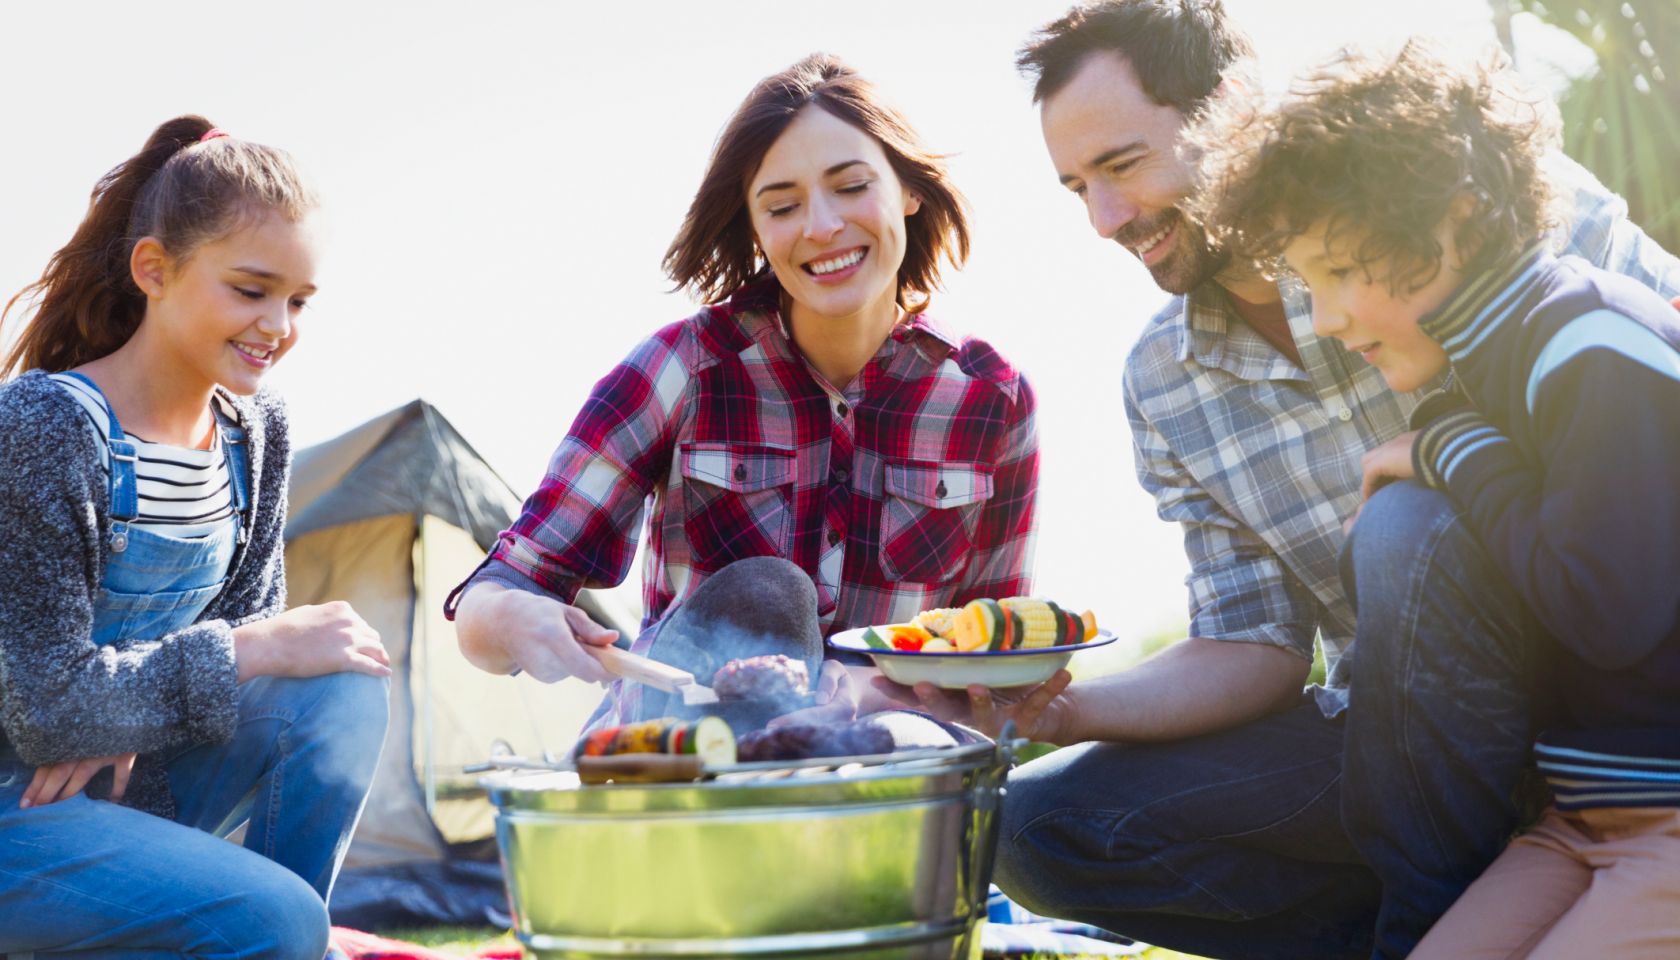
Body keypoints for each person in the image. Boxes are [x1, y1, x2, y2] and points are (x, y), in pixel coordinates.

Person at [901, 4, 1680, 959]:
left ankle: (1428, 923)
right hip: (1396, 743)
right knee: (1027, 825)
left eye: (1123, 165)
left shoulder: (1450, 213)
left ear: (1231, 109)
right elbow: (1255, 643)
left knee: (1402, 527)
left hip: (1614, 703)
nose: (1105, 220)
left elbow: (1654, 362)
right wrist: (1056, 708)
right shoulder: (1165, 381)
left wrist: (1448, 447)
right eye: (1077, 189)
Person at [1191, 41, 1680, 960]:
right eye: (1308, 282)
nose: (1326, 318)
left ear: (1455, 221)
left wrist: (1451, 446)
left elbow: (1606, 611)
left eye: (1338, 272)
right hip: (1580, 820)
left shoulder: (1591, 344)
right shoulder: (1496, 365)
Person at [447, 54, 1039, 729]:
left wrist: (865, 698)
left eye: (850, 186)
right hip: (682, 763)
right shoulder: (682, 368)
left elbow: (992, 669)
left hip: (878, 774)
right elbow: (486, 605)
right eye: (783, 205)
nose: (820, 226)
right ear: (754, 226)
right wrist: (516, 614)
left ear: (907, 188)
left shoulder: (993, 401)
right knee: (767, 593)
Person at [0, 116, 390, 958]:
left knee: (341, 684)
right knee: (279, 920)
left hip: (127, 775)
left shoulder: (257, 433)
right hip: (11, 805)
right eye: (251, 290)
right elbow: (42, 708)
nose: (278, 325)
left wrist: (119, 718)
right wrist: (243, 652)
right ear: (155, 269)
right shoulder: (46, 424)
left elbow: (243, 666)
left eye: (299, 300)